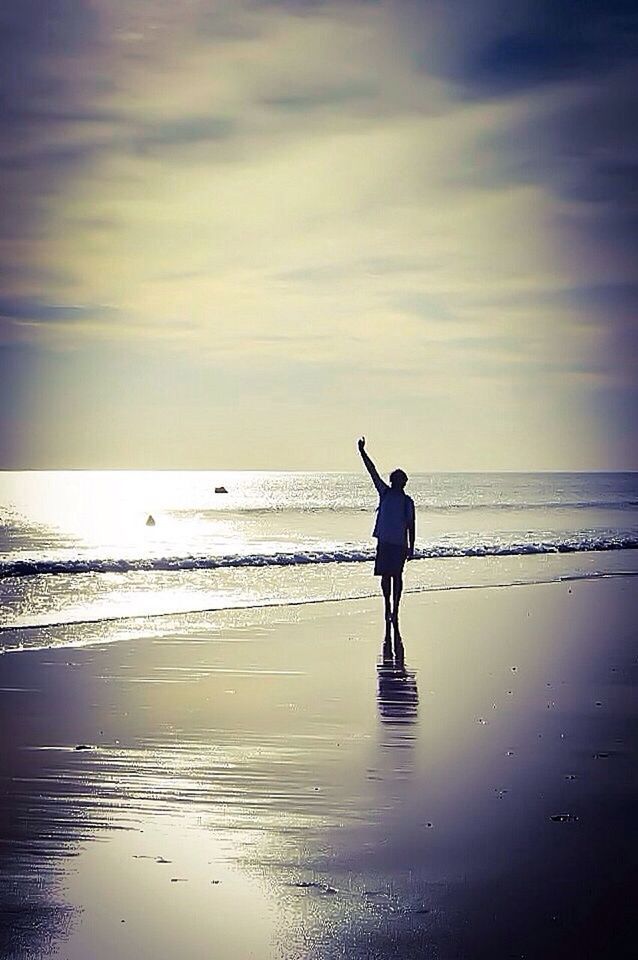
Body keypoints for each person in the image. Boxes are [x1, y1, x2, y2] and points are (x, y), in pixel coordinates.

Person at [357, 437, 416, 663]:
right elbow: (372, 471)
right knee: (386, 577)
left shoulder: (407, 501)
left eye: (399, 480)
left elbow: (411, 524)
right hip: (386, 542)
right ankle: (387, 606)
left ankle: (395, 608)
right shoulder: (385, 493)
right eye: (396, 479)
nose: (396, 482)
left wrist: (412, 546)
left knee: (396, 577)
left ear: (402, 483)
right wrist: (362, 452)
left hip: (398, 544)